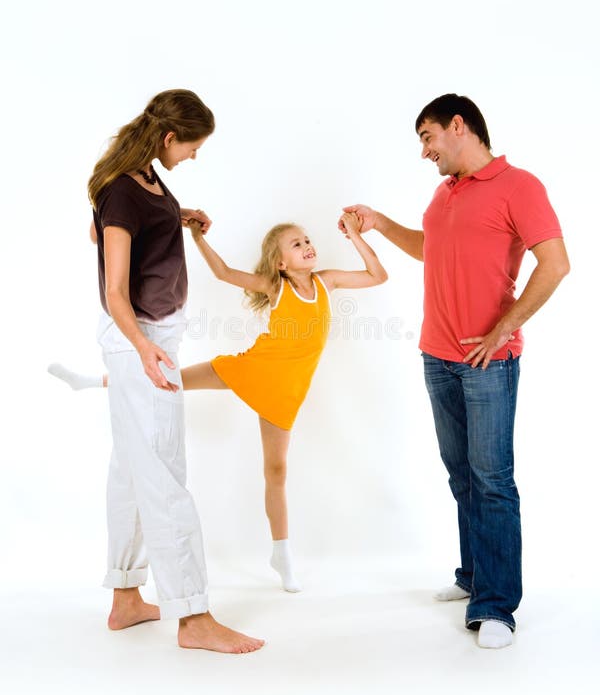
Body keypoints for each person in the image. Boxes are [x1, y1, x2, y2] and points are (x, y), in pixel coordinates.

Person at [50, 213, 388, 592]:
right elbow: (225, 273)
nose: (307, 246)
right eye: (296, 244)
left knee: (276, 471)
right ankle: (94, 381)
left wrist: (356, 235)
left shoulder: (327, 281)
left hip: (285, 391)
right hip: (252, 368)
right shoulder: (276, 288)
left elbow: (378, 275)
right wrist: (197, 238)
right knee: (171, 378)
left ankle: (281, 553)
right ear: (280, 262)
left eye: (307, 240)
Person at [341, 93, 569, 649]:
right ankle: (473, 578)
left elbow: (556, 263)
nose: (424, 151)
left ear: (458, 126)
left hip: (488, 363)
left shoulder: (521, 187)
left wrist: (501, 330)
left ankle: (496, 607)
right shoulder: (444, 193)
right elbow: (431, 248)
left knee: (492, 481)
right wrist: (379, 223)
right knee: (462, 476)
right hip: (437, 356)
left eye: (427, 137)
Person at [83, 88, 264, 653]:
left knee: (133, 468)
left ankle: (126, 597)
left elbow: (107, 231)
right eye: (192, 146)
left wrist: (175, 217)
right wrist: (142, 348)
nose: (193, 156)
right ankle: (193, 616)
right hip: (143, 338)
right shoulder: (122, 188)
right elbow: (114, 289)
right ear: (168, 137)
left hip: (149, 336)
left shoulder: (143, 178)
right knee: (163, 470)